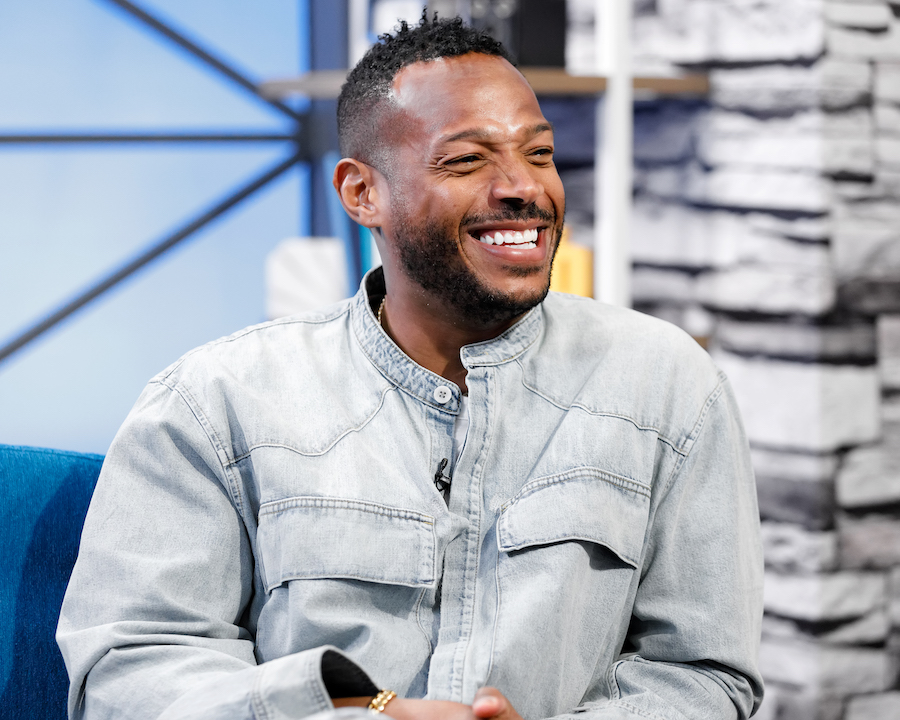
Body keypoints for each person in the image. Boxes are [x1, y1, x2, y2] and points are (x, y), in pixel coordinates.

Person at [58, 14, 764, 720]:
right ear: (362, 193)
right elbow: (127, 675)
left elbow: (703, 675)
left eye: (539, 153)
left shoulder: (669, 385)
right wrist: (352, 713)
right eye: (467, 160)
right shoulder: (213, 402)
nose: (524, 186)